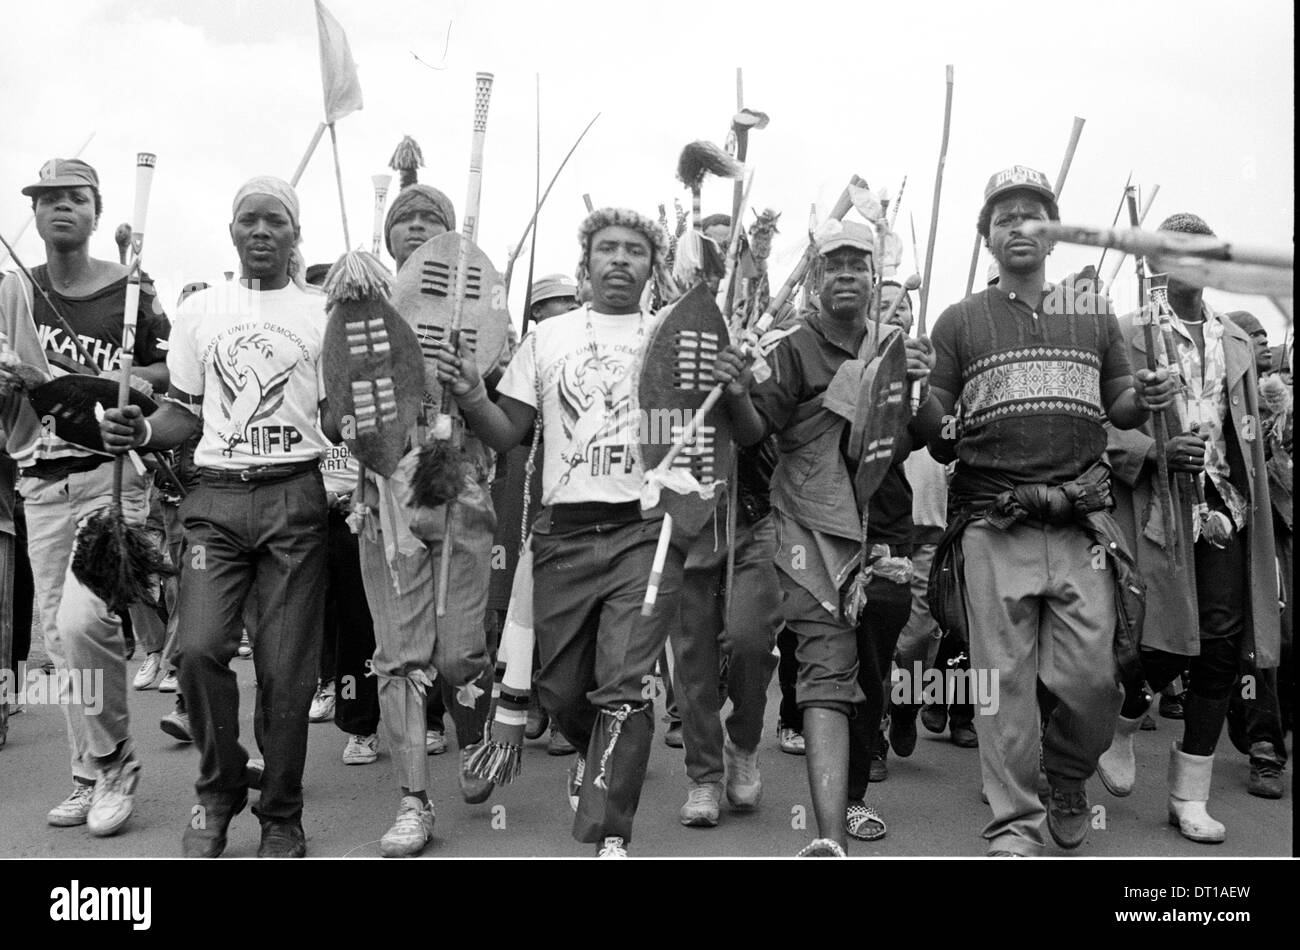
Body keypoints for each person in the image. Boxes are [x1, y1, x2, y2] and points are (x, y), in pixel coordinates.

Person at [921, 166, 1174, 857]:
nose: (1021, 226)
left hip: (1081, 521)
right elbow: (936, 435)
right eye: (1006, 217)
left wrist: (1146, 394)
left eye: (1035, 214)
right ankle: (1014, 828)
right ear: (988, 236)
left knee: (1095, 679)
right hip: (990, 522)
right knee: (1001, 685)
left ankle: (1067, 776)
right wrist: (914, 388)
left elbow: (1120, 403)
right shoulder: (958, 320)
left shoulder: (1091, 315)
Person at [433, 207, 686, 858]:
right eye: (608, 248)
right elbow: (507, 430)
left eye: (635, 250)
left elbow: (694, 436)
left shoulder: (667, 337)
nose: (621, 259)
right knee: (563, 689)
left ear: (651, 267)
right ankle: (588, 750)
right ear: (587, 264)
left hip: (641, 529)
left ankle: (610, 834)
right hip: (564, 536)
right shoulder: (548, 339)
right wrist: (468, 394)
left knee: (625, 684)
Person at [100, 175, 335, 858]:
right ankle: (218, 786)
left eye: (276, 221)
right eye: (248, 220)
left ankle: (283, 815)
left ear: (295, 234)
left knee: (287, 669)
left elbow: (336, 419)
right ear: (232, 232)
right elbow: (184, 414)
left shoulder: (322, 313)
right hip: (216, 503)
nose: (261, 231)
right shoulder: (203, 312)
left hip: (295, 499)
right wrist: (141, 431)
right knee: (199, 649)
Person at [713, 219, 938, 855]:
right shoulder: (792, 349)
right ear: (815, 278)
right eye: (832, 265)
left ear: (873, 278)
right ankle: (739, 742)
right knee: (750, 643)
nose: (846, 275)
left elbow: (919, 440)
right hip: (794, 525)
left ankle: (827, 841)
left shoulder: (895, 344)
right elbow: (756, 432)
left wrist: (913, 385)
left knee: (831, 678)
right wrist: (735, 393)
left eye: (857, 265)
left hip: (866, 535)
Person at [0, 157, 171, 836]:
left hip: (110, 473)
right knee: (55, 641)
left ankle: (117, 765)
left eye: (75, 197)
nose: (60, 208)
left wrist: (132, 380)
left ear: (97, 210)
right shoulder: (15, 291)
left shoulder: (129, 291)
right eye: (47, 199)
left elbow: (168, 365)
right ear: (34, 215)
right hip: (40, 480)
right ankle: (88, 770)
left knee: (84, 622)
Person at [1098, 255, 1280, 841]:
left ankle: (1188, 797)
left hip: (1225, 505)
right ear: (1159, 263)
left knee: (1222, 647)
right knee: (1160, 637)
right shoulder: (1127, 330)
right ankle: (1123, 723)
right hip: (1159, 506)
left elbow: (1246, 430)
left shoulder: (1234, 339)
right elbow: (1098, 423)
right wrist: (1151, 453)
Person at [349, 179, 500, 858]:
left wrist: (466, 386)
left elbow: (503, 427)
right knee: (401, 658)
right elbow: (336, 410)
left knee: (459, 650)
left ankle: (477, 733)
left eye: (430, 217)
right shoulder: (361, 314)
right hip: (385, 498)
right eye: (404, 218)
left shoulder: (483, 314)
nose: (416, 226)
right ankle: (414, 799)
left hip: (460, 488)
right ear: (388, 238)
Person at [497, 273, 578, 757]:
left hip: (583, 491)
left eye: (570, 300)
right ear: (536, 313)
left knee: (572, 602)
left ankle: (567, 713)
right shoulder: (526, 351)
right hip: (529, 485)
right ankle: (533, 702)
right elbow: (511, 424)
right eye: (553, 303)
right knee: (527, 599)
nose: (565, 308)